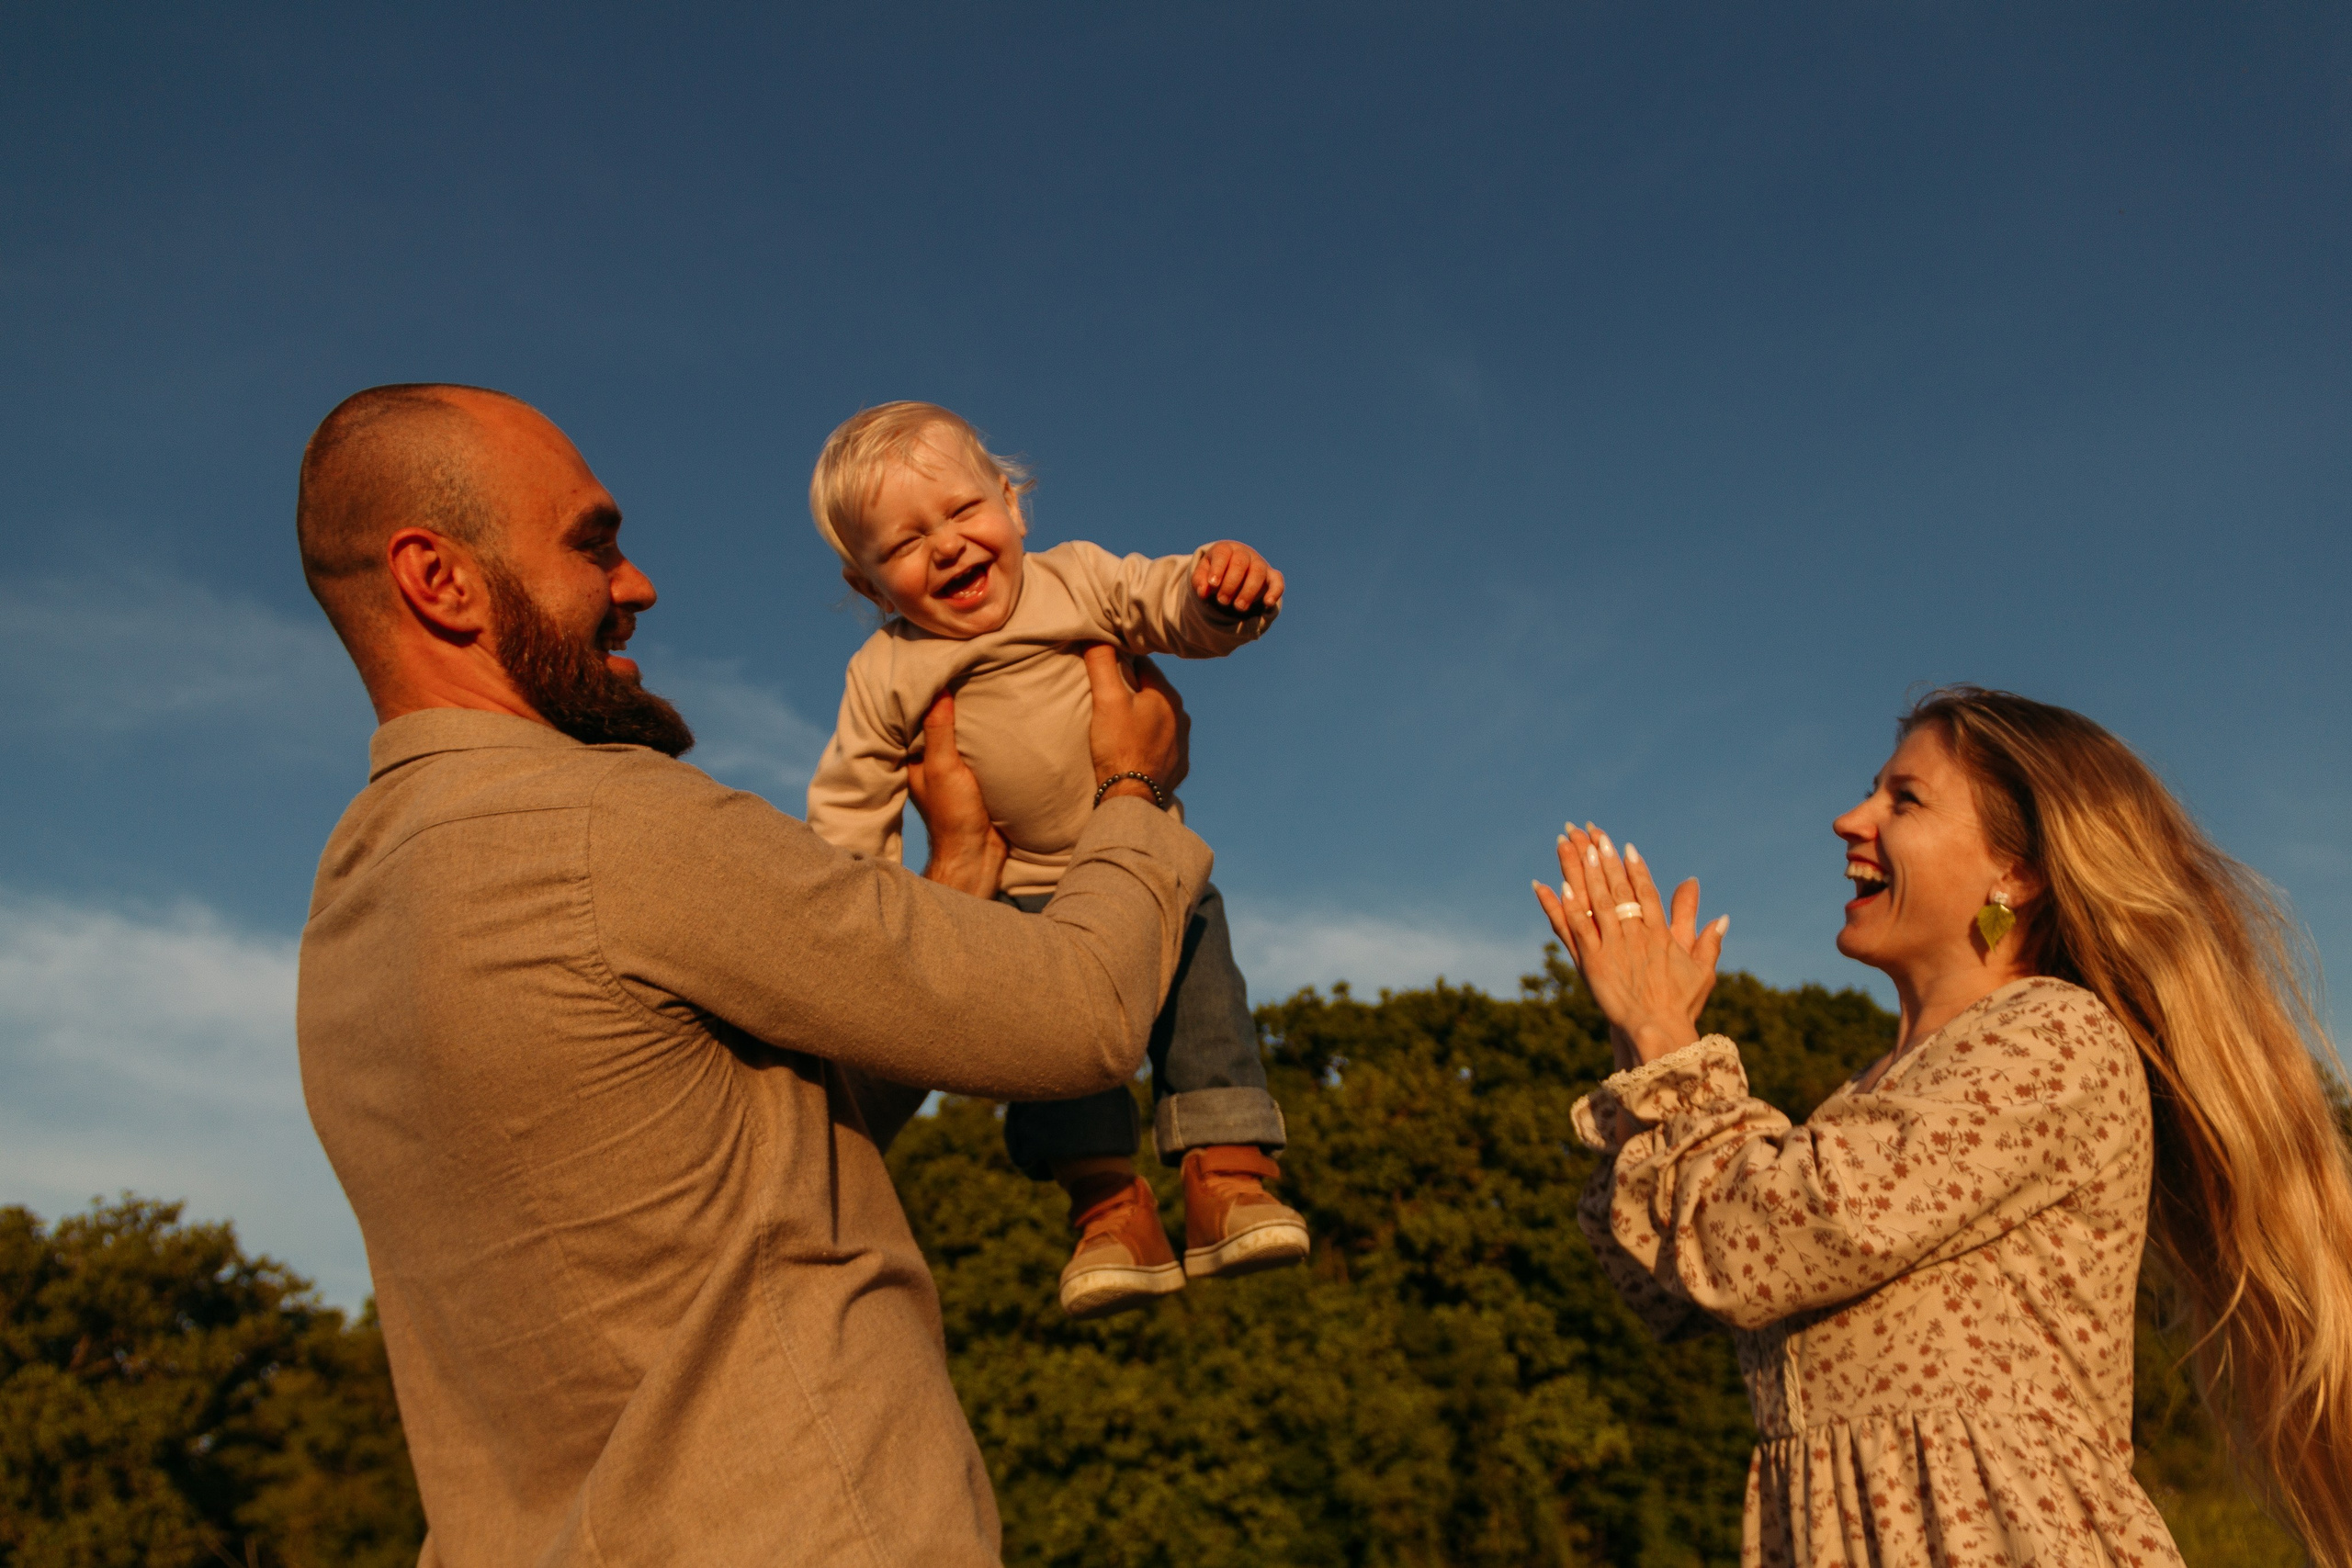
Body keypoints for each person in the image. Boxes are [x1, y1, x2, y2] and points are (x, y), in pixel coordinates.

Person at [292, 382, 1215, 1566]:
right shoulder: (608, 823)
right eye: (596, 545)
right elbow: (1076, 1019)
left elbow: (760, 1149)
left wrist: (961, 874)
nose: (638, 589)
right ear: (441, 581)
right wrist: (1134, 791)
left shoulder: (350, 920)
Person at [1532, 687, 2352, 1568]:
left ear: (2019, 871)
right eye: (1871, 791)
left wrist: (1664, 1038)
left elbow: (1750, 1240)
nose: (1851, 819)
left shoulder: (2053, 1038)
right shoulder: (1871, 1101)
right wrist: (1640, 1041)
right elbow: (1669, 1277)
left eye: (1904, 799)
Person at [803, 400, 1308, 1318]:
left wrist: (1216, 594)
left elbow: (1163, 602)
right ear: (872, 583)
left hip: (1149, 862)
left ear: (1014, 506)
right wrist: (853, 907)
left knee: (1202, 1006)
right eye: (907, 542)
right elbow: (851, 796)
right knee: (1048, 1055)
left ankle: (1227, 1178)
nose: (949, 546)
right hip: (1020, 894)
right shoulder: (884, 669)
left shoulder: (1074, 580)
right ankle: (1110, 1214)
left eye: (963, 512)